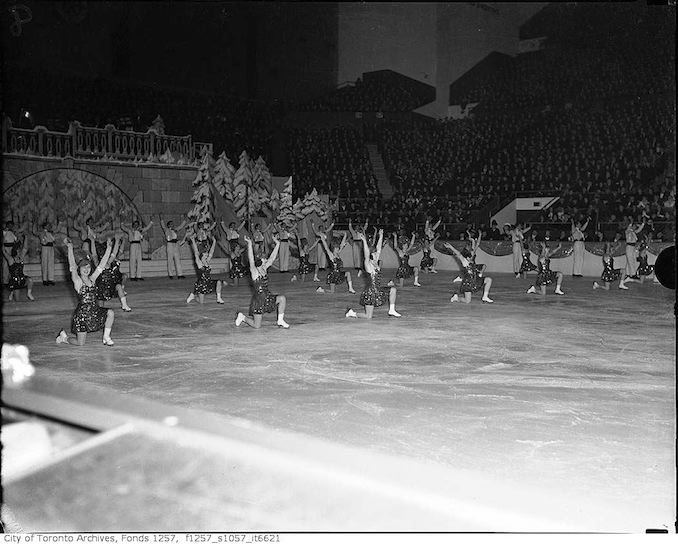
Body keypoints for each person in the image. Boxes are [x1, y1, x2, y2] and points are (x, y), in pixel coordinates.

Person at [56, 238, 115, 346]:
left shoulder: (92, 278)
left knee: (110, 313)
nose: (86, 269)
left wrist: (109, 248)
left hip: (94, 312)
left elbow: (101, 265)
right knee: (80, 343)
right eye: (83, 267)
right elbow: (72, 267)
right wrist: (70, 248)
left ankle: (106, 337)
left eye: (88, 267)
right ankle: (64, 338)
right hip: (82, 316)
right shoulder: (78, 281)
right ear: (79, 269)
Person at [235, 234, 290, 329]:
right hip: (258, 300)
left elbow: (272, 258)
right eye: (264, 258)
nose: (266, 259)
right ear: (260, 261)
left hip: (267, 297)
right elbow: (251, 259)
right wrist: (249, 244)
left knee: (282, 299)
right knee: (257, 326)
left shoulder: (264, 267)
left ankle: (280, 320)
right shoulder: (254, 271)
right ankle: (242, 317)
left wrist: (278, 244)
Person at [345, 229, 401, 319]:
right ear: (371, 255)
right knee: (368, 316)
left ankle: (392, 310)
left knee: (393, 290)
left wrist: (381, 236)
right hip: (370, 293)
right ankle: (352, 313)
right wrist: (364, 241)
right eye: (375, 253)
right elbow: (366, 254)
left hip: (378, 289)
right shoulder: (368, 264)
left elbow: (379, 248)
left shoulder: (375, 262)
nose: (377, 254)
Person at [444, 235, 493, 304]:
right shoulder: (465, 262)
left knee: (488, 279)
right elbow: (459, 254)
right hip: (468, 283)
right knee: (467, 301)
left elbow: (474, 248)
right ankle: (456, 298)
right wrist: (450, 247)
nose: (471, 258)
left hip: (476, 280)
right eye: (469, 257)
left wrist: (473, 240)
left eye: (471, 257)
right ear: (466, 258)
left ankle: (485, 297)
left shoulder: (471, 260)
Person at [92, 235, 132, 311]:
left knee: (119, 286)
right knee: (100, 306)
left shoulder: (109, 262)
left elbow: (114, 252)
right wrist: (92, 241)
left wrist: (116, 241)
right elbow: (94, 253)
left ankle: (124, 305)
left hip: (111, 286)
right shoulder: (98, 264)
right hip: (101, 288)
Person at [186, 237, 225, 304]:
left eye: (207, 254)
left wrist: (214, 242)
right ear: (201, 256)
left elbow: (211, 252)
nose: (207, 255)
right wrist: (193, 241)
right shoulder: (199, 263)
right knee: (201, 302)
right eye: (205, 255)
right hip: (201, 284)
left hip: (208, 281)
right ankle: (193, 296)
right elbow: (196, 253)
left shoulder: (207, 261)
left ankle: (219, 298)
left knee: (218, 282)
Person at [159, 214, 187, 279]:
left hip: (175, 244)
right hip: (170, 244)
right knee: (170, 259)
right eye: (171, 224)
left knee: (177, 259)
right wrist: (161, 219)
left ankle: (180, 274)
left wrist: (185, 220)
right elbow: (163, 226)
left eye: (173, 224)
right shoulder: (166, 229)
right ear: (168, 225)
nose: (172, 225)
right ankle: (170, 274)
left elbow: (181, 226)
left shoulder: (175, 229)